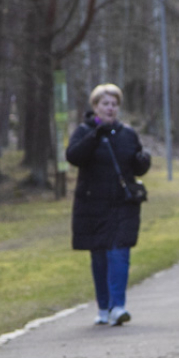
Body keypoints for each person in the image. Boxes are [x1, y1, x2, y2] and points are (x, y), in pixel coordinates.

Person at [65, 84, 152, 324]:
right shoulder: (84, 132)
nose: (110, 108)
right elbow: (73, 156)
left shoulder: (127, 134)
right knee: (100, 256)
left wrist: (142, 161)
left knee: (120, 253)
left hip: (123, 204)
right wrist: (96, 135)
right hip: (93, 206)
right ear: (95, 107)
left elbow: (135, 166)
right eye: (105, 104)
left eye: (114, 104)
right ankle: (104, 307)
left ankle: (118, 306)